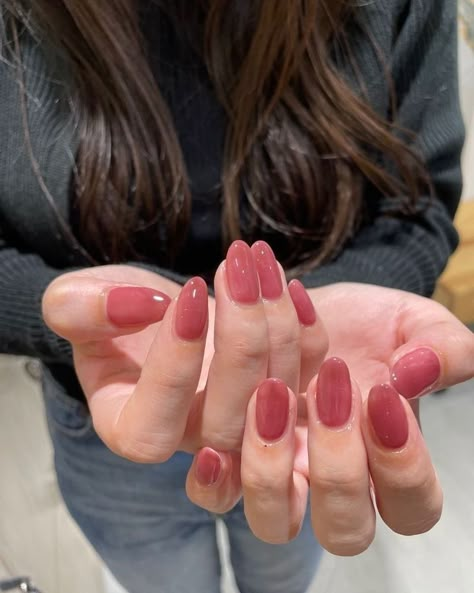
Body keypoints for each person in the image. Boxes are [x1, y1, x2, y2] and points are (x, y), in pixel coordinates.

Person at [1, 1, 473, 592]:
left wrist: (328, 311)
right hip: (107, 412)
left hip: (303, 402)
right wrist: (65, 311)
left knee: (280, 575)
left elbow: (418, 203)